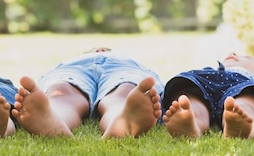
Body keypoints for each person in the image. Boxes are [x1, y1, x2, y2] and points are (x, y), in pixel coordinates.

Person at [11, 47, 164, 138]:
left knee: (125, 92)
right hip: (75, 68)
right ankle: (53, 120)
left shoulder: (125, 59)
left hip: (120, 68)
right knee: (62, 92)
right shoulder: (74, 60)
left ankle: (122, 121)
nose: (100, 50)